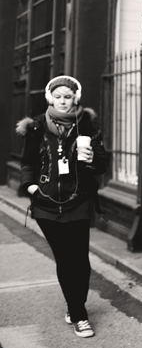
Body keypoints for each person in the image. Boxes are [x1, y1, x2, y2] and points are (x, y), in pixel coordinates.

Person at [16, 75, 107, 338]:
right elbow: (27, 163)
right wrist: (31, 187)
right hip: (45, 205)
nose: (63, 101)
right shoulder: (35, 127)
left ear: (75, 98)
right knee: (66, 259)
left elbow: (101, 165)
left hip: (78, 201)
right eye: (58, 96)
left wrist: (90, 160)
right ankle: (79, 315)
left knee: (81, 261)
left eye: (68, 96)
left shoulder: (87, 125)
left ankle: (74, 304)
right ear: (50, 98)